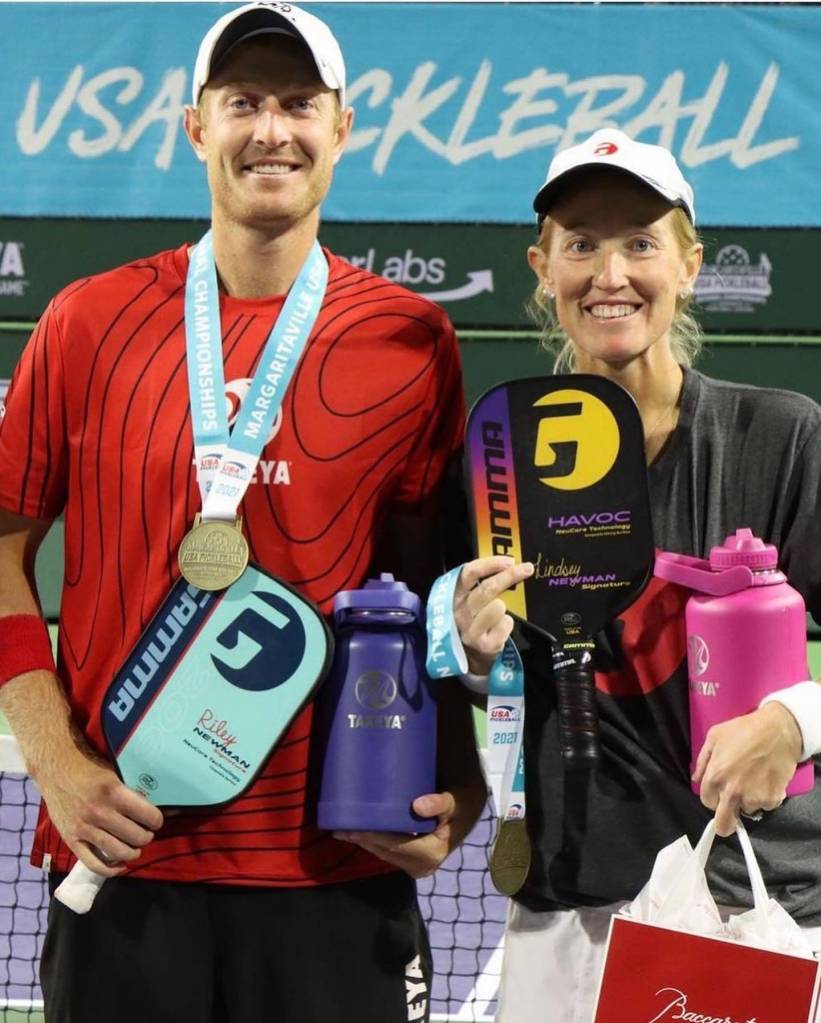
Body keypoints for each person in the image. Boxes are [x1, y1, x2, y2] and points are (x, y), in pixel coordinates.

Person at [0, 5, 485, 1021]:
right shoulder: (85, 321)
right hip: (123, 849)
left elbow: (421, 593)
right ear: (194, 126)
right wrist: (54, 762)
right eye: (243, 102)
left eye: (300, 103)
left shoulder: (409, 339)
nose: (272, 129)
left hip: (334, 863)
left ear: (342, 128)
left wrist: (452, 794)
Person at [450, 128, 821, 1022]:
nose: (607, 273)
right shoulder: (497, 455)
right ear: (541, 266)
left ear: (689, 264)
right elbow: (494, 674)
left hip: (752, 903)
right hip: (564, 904)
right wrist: (473, 649)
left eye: (639, 243)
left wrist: (791, 722)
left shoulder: (781, 435)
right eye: (580, 243)